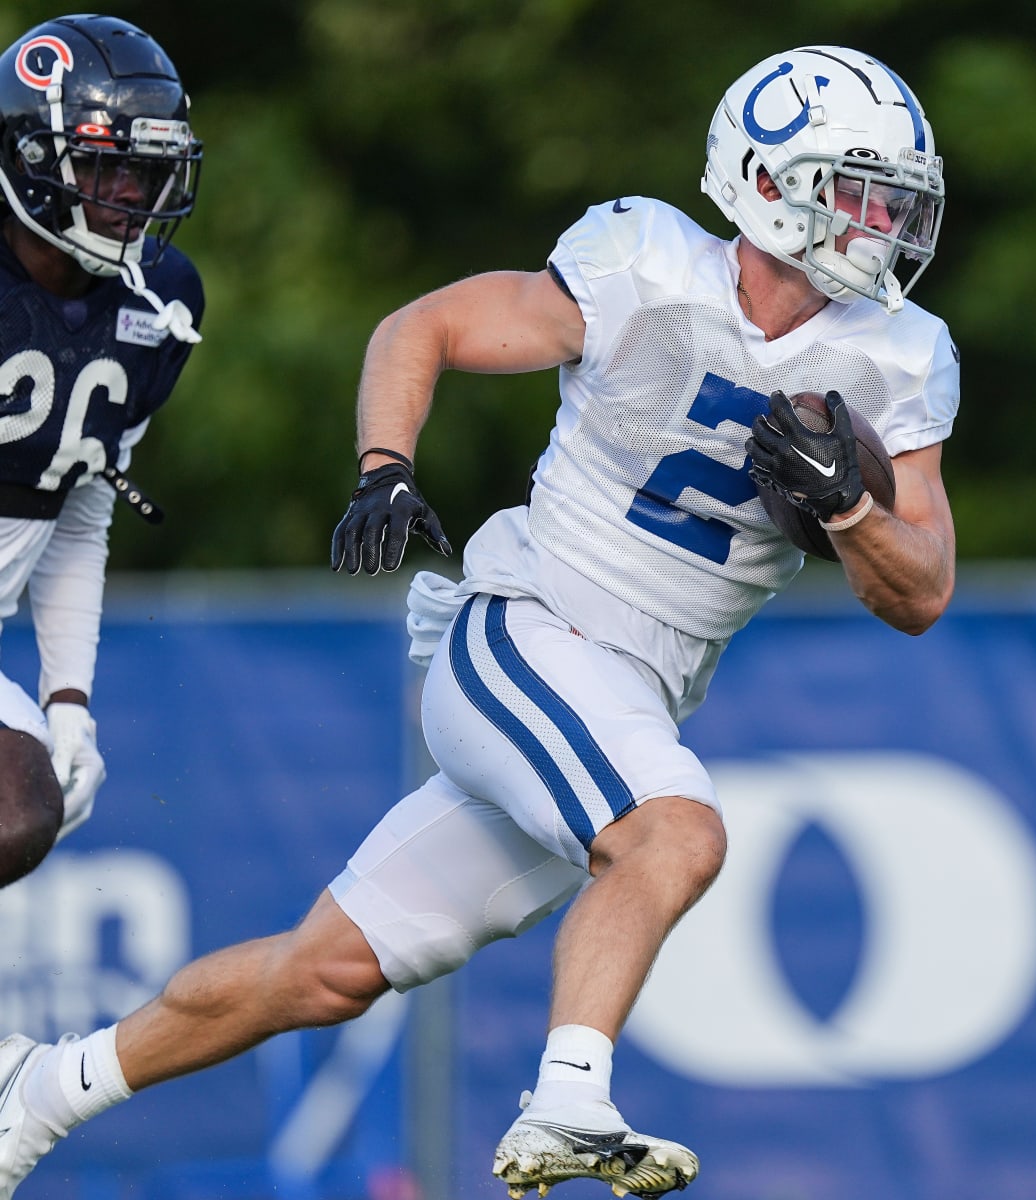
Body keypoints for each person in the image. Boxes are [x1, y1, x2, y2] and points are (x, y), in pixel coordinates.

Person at [0, 44, 957, 1199]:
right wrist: (383, 468)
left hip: (631, 696)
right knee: (675, 832)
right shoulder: (646, 265)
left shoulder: (899, 354)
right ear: (767, 182)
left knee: (322, 974)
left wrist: (851, 506)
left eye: (895, 194)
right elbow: (426, 326)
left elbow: (921, 587)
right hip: (531, 631)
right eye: (856, 188)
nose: (884, 218)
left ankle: (44, 1092)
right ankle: (568, 1100)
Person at [0, 14, 203, 886]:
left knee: (19, 812)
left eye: (147, 169)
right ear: (35, 162)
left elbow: (78, 511)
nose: (131, 193)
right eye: (105, 164)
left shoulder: (159, 301)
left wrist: (68, 699)